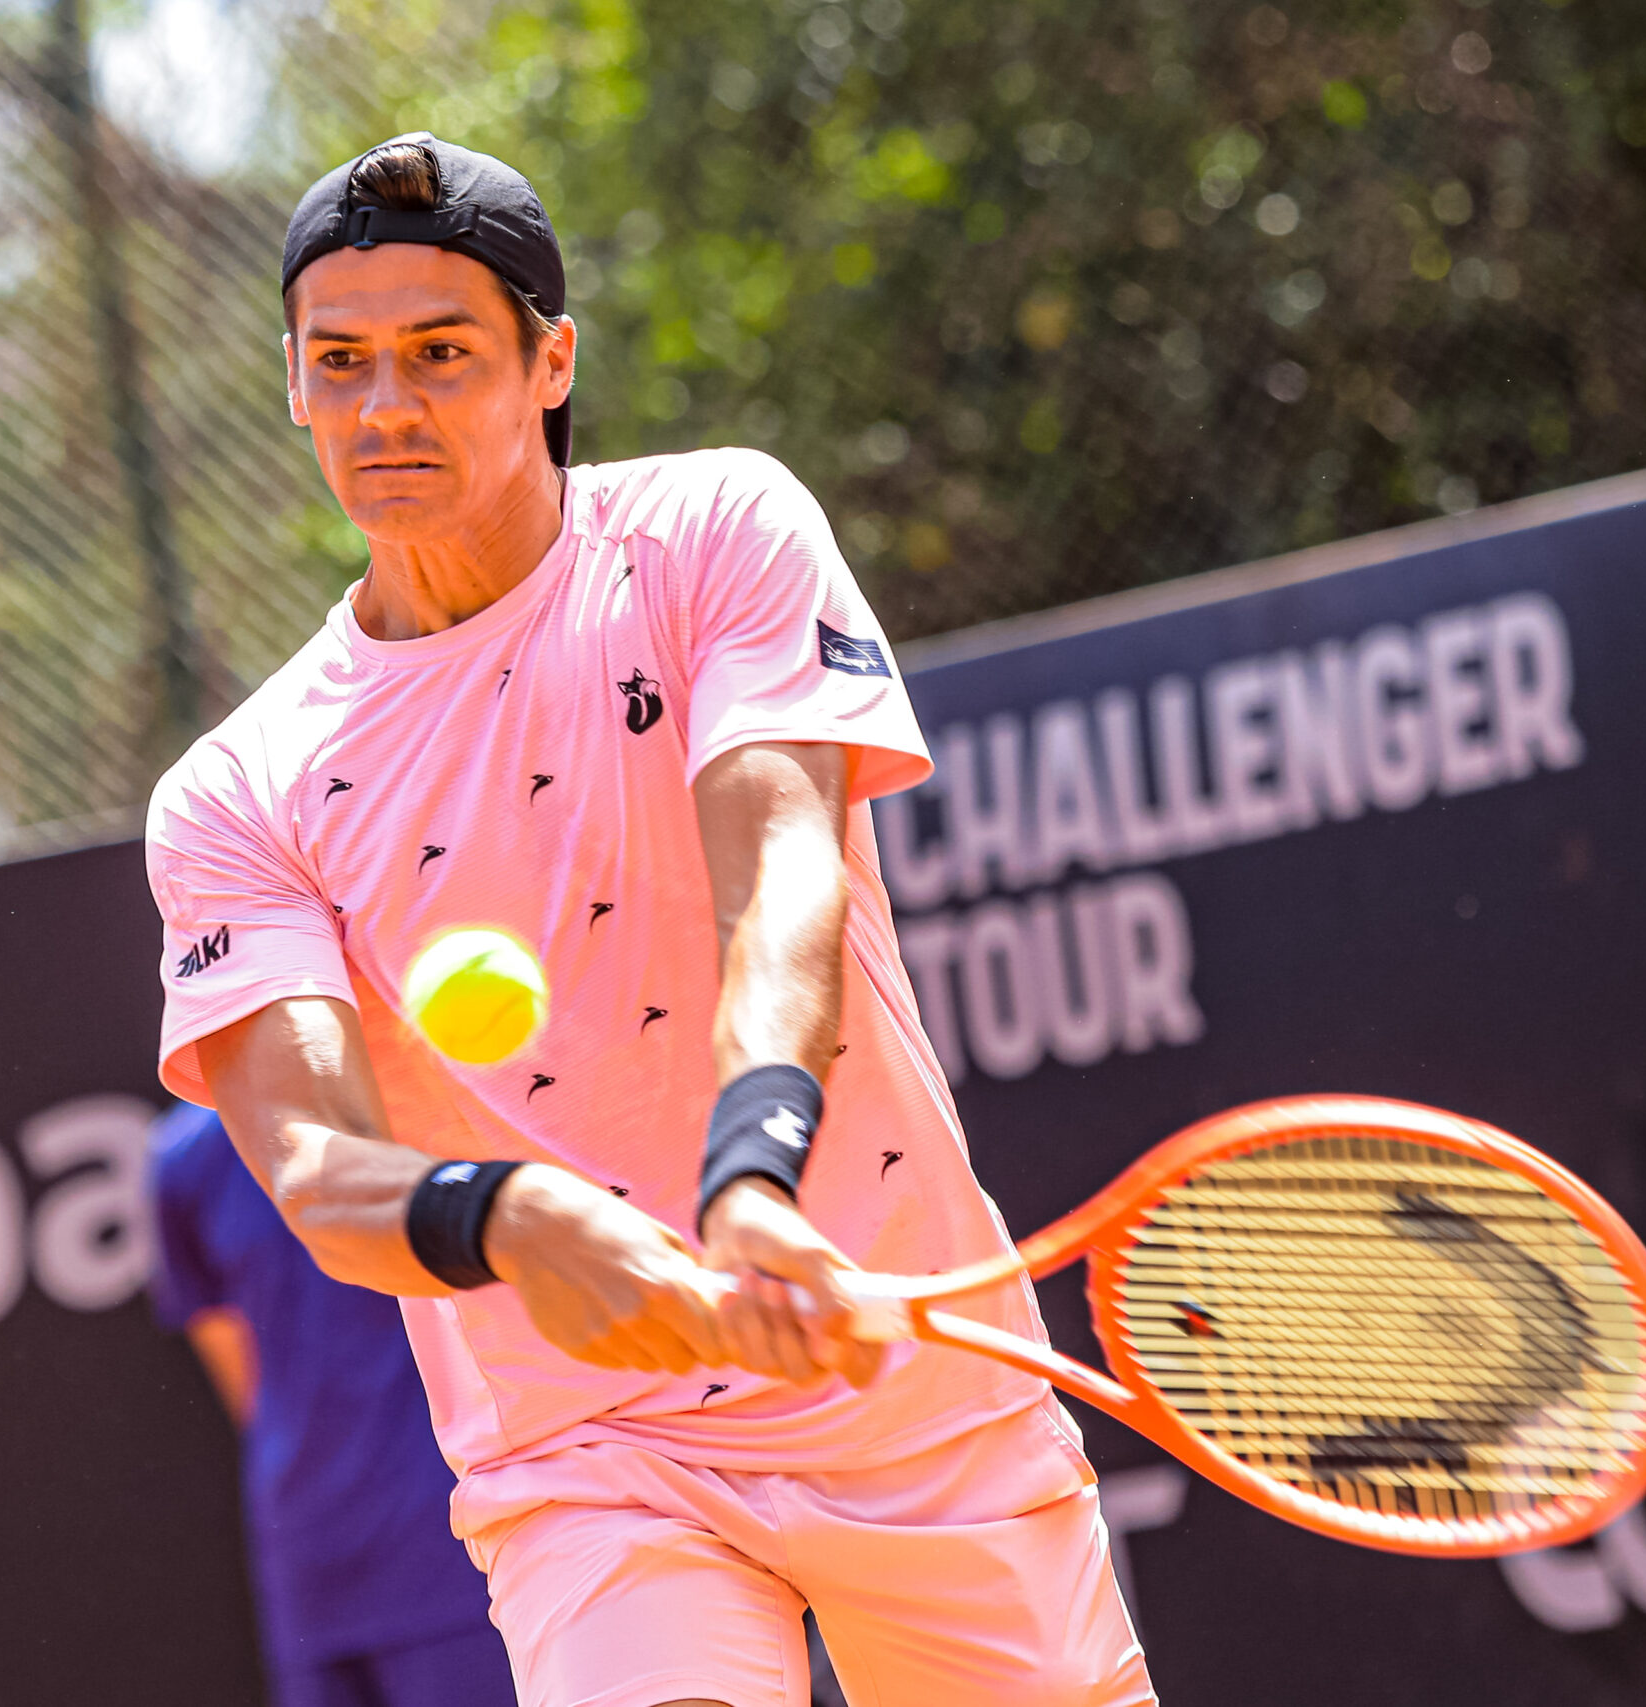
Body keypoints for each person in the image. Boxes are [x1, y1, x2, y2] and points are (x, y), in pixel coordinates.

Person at [144, 132, 1152, 1707]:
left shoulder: (713, 531)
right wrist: (512, 1215)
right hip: (593, 1454)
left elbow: (784, 876)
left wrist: (751, 1176)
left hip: (906, 1377)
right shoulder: (239, 791)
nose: (385, 404)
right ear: (293, 381)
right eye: (340, 361)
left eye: (441, 353)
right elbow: (316, 1167)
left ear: (551, 363)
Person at [149, 1100, 519, 1707]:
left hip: (460, 1551)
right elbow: (248, 1386)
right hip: (310, 1574)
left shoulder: (420, 1098)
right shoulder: (182, 1160)